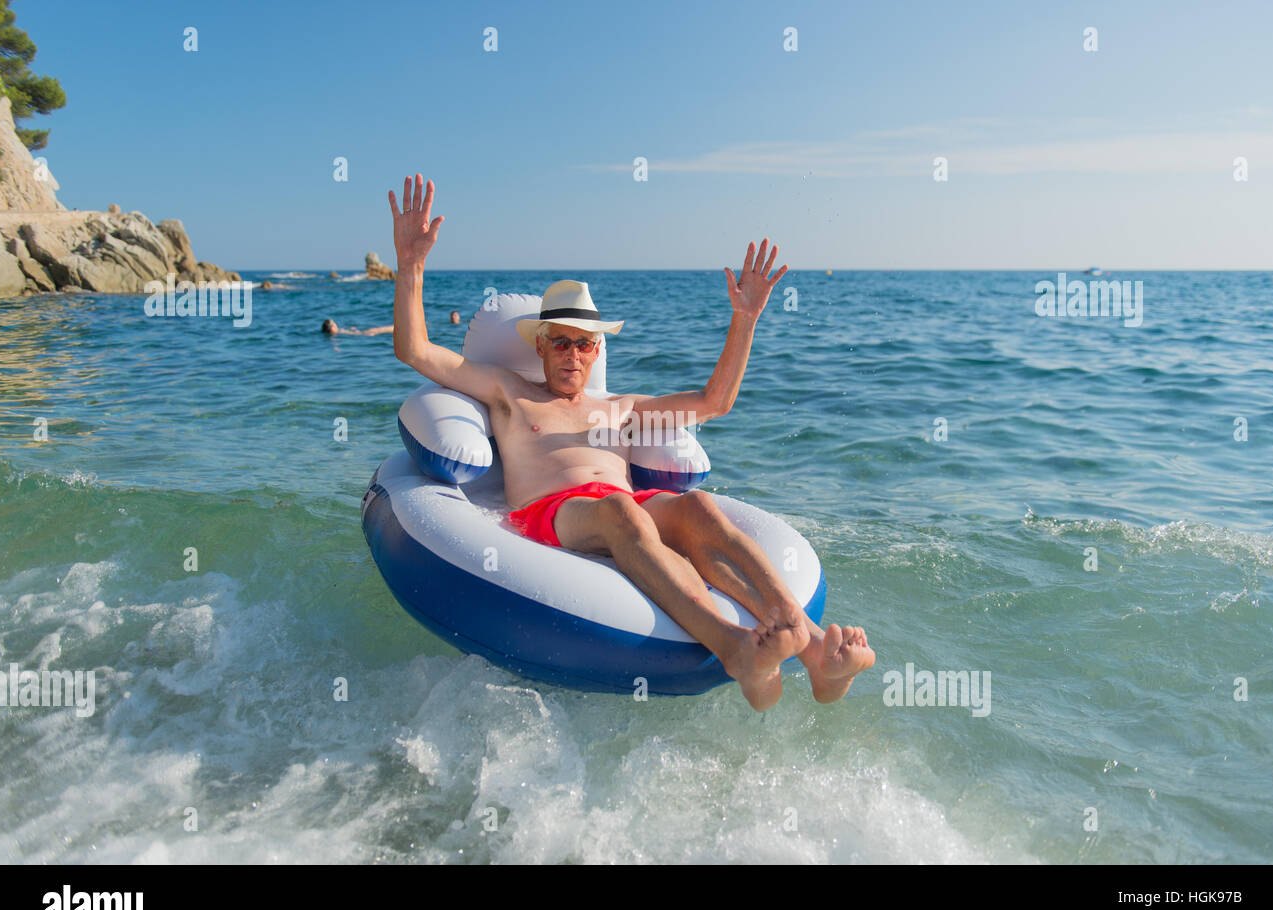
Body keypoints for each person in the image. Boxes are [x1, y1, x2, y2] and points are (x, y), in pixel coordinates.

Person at [387, 174, 874, 711]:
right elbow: (417, 352)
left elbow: (714, 403)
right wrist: (411, 265)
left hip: (629, 507)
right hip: (552, 514)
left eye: (585, 344)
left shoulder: (622, 408)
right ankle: (734, 648)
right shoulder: (511, 394)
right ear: (543, 346)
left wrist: (745, 319)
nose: (573, 354)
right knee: (622, 509)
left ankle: (808, 647)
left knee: (697, 508)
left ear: (597, 352)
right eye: (562, 342)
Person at [322, 319, 393, 336]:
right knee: (380, 330)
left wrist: (351, 329)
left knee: (380, 329)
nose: (336, 324)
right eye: (334, 324)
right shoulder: (336, 332)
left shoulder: (338, 331)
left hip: (360, 333)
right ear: (332, 328)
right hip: (361, 333)